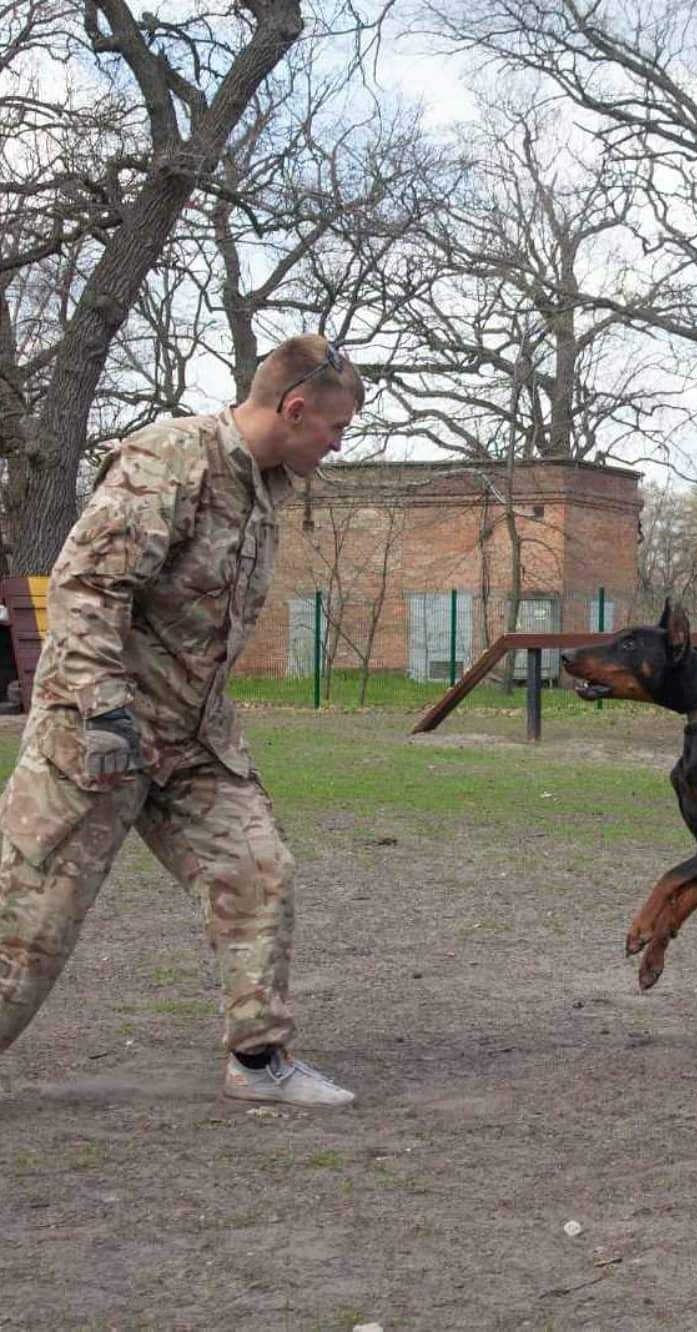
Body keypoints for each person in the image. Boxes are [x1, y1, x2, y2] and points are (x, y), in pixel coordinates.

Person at [0, 335, 363, 1107]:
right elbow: (89, 586)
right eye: (335, 429)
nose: (337, 445)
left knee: (258, 872)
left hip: (192, 739)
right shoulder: (170, 459)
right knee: (30, 921)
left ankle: (259, 1062)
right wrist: (103, 711)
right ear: (294, 409)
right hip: (97, 735)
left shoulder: (266, 486)